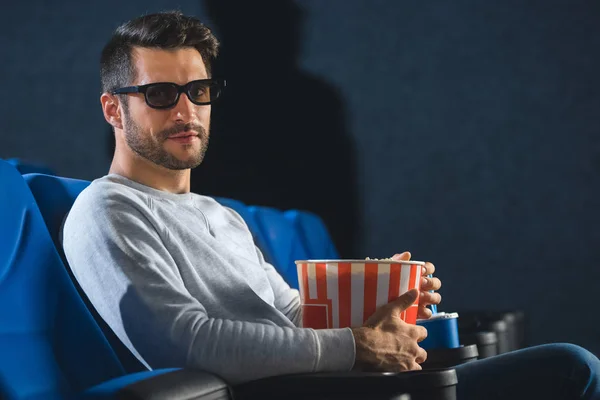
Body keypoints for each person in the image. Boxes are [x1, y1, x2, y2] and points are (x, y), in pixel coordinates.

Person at [62, 11, 600, 399]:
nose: (187, 110)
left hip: (336, 383)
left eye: (199, 91)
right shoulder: (107, 209)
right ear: (113, 108)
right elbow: (185, 345)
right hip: (299, 393)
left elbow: (291, 313)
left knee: (569, 365)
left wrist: (377, 297)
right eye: (160, 95)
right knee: (570, 370)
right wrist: (356, 346)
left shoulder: (218, 215)